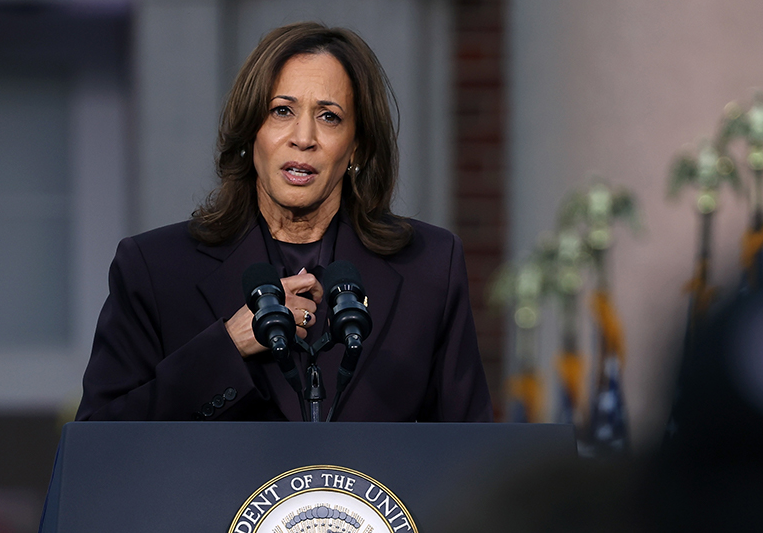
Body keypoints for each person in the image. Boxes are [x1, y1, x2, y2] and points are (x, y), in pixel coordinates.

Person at [76, 22, 492, 422]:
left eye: (329, 116)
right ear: (250, 132)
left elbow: (471, 451)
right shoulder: (155, 269)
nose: (303, 138)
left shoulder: (429, 268)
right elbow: (99, 441)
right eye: (281, 111)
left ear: (358, 146)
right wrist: (227, 347)